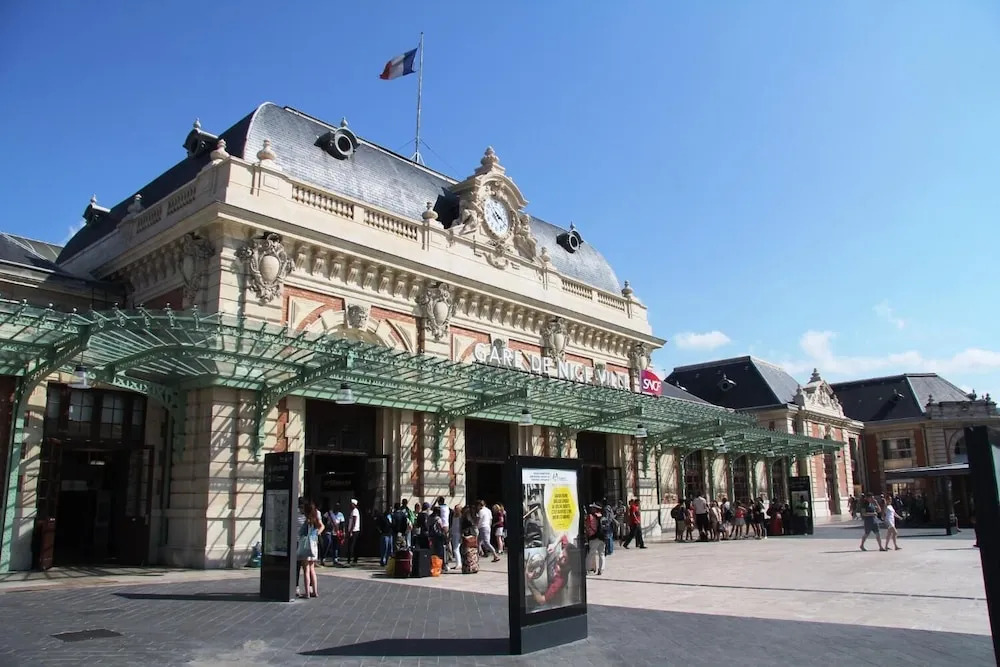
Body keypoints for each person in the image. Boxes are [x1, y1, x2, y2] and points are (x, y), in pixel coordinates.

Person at [297, 500, 323, 598]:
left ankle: (307, 592)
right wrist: (316, 534)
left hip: (306, 546)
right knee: (312, 569)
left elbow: (301, 533)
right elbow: (321, 526)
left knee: (306, 570)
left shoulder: (307, 521)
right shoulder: (315, 519)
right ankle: (315, 591)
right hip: (314, 545)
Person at [346, 498, 362, 564]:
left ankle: (350, 559)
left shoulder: (355, 511)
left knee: (351, 545)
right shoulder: (353, 511)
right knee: (352, 545)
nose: (350, 505)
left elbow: (354, 522)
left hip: (354, 530)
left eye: (351, 504)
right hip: (352, 530)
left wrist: (351, 531)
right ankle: (353, 559)